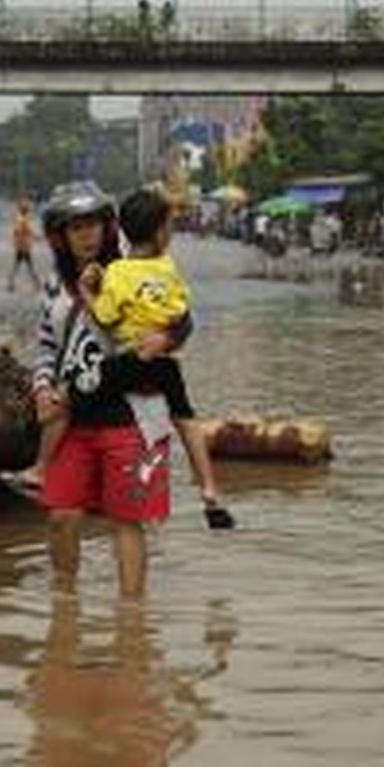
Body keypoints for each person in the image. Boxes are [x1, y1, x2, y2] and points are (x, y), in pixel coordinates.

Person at [30, 181, 229, 601]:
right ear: (60, 236)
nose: (85, 235)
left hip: (133, 415)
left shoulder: (138, 265)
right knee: (61, 516)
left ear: (108, 227)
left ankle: (132, 619)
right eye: (74, 228)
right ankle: (65, 607)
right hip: (75, 415)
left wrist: (170, 338)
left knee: (126, 521)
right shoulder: (53, 286)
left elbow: (183, 316)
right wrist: (42, 386)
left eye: (92, 226)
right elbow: (47, 345)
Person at [76, 186, 226, 523]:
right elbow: (180, 312)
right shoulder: (168, 267)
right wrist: (164, 332)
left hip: (129, 361)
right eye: (170, 227)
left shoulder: (117, 271)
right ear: (160, 232)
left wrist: (87, 291)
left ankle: (61, 473)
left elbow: (106, 318)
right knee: (187, 420)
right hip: (165, 365)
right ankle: (209, 489)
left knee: (80, 399)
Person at [8, 197, 40, 292]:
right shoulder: (23, 220)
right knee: (29, 266)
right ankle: (36, 283)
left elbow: (21, 232)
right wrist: (36, 238)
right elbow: (26, 232)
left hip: (21, 246)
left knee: (18, 265)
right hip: (23, 247)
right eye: (27, 209)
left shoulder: (20, 219)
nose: (28, 211)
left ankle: (11, 284)